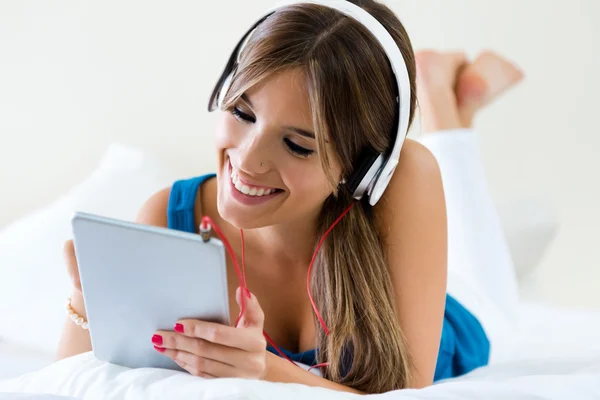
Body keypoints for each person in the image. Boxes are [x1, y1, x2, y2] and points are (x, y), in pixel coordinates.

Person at [57, 0, 523, 394]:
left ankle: (443, 101)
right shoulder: (168, 215)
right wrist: (86, 299)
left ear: (361, 169)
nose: (248, 159)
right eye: (242, 111)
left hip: (459, 313)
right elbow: (68, 381)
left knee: (489, 287)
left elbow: (406, 395)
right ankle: (447, 96)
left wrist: (266, 371)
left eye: (298, 144)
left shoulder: (403, 177)